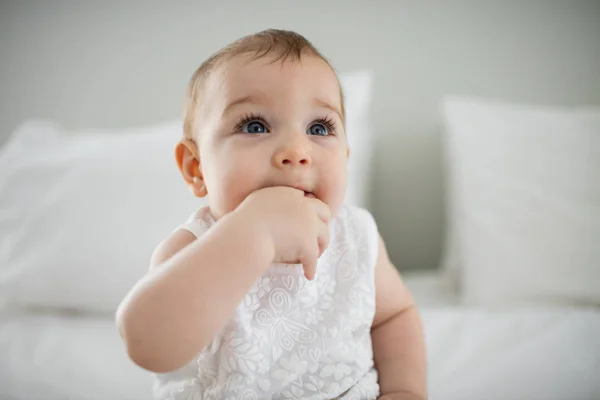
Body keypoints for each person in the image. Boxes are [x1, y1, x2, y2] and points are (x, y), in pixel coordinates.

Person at [116, 29, 427, 400]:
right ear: (197, 168)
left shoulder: (356, 237)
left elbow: (394, 316)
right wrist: (254, 233)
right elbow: (148, 344)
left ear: (345, 156)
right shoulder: (195, 247)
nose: (296, 150)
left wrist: (404, 390)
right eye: (255, 126)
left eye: (319, 127)